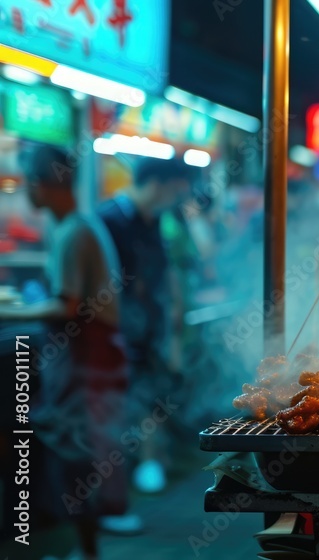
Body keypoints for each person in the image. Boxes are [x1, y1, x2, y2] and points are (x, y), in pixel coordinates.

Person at [0, 146, 128, 559]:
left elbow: (68, 307)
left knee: (75, 451)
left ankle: (86, 548)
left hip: (84, 360)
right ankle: (83, 544)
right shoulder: (78, 226)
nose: (25, 193)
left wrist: (8, 308)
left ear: (41, 185)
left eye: (27, 183)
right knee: (83, 448)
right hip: (89, 359)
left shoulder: (74, 231)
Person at [96, 157, 192, 532]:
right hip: (116, 334)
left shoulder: (155, 221)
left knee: (150, 397)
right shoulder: (110, 220)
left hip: (150, 329)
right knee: (118, 409)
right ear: (156, 183)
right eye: (175, 189)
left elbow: (165, 273)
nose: (178, 197)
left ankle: (149, 463)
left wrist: (174, 320)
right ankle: (109, 500)